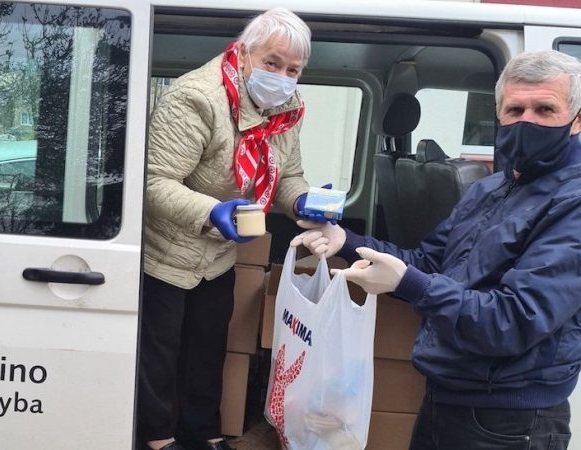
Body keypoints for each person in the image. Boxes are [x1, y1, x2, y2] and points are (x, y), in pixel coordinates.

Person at [294, 49, 581, 450]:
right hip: (448, 394)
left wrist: (412, 285)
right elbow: (429, 263)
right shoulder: (488, 189)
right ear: (498, 114)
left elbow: (514, 319)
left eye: (544, 109)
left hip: (512, 419)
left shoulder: (572, 202)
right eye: (515, 109)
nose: (526, 121)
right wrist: (348, 242)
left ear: (575, 120)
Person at [138, 8, 322, 450]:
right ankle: (157, 438)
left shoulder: (285, 110)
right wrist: (211, 212)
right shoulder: (196, 98)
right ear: (242, 54)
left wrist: (302, 199)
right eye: (272, 63)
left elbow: (287, 175)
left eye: (292, 69)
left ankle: (204, 433)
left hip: (217, 255)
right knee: (159, 355)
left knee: (207, 350)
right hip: (164, 250)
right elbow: (154, 181)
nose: (282, 76)